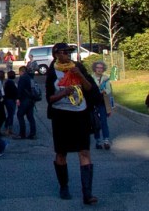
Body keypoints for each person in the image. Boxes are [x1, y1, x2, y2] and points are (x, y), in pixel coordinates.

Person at [46, 42, 99, 204]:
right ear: (56, 54)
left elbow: (90, 88)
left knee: (84, 152)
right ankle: (64, 186)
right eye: (63, 52)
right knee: (61, 153)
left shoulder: (78, 67)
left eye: (69, 52)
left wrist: (80, 75)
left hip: (80, 115)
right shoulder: (52, 72)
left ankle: (87, 194)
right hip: (61, 117)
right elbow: (50, 98)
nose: (67, 55)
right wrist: (63, 93)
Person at [91, 61, 112, 150]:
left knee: (104, 122)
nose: (99, 69)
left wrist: (104, 91)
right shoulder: (91, 78)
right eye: (98, 68)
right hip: (93, 103)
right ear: (94, 68)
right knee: (96, 123)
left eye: (101, 68)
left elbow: (109, 89)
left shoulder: (106, 78)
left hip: (103, 102)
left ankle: (106, 140)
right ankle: (98, 141)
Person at [14, 66, 37, 140]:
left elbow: (20, 89)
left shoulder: (22, 78)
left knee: (20, 115)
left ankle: (22, 134)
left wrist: (18, 98)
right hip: (31, 99)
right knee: (30, 117)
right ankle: (32, 134)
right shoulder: (30, 77)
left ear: (21, 71)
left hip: (24, 99)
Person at [3, 70, 18, 136]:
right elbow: (13, 92)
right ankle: (8, 129)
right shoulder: (11, 83)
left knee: (10, 114)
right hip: (10, 100)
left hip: (9, 99)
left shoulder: (8, 82)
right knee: (10, 114)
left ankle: (9, 128)